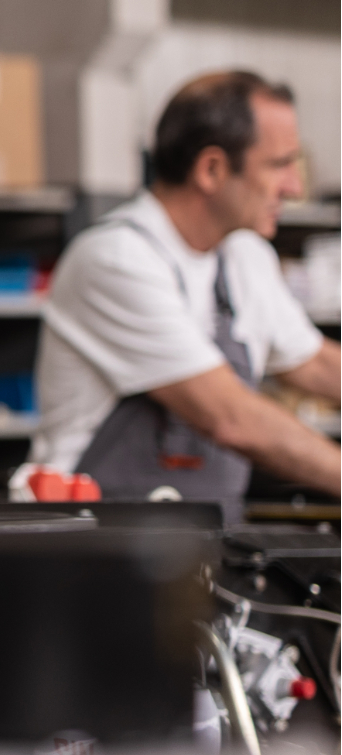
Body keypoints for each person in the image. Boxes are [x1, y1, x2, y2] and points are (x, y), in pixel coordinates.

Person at [34, 70, 341, 523]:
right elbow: (230, 417)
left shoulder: (244, 256)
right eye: (279, 164)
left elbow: (315, 365)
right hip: (94, 538)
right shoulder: (115, 259)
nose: (294, 187)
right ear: (211, 169)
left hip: (203, 540)